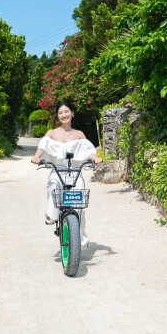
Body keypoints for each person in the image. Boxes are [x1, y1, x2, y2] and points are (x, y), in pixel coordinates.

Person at [31, 101, 101, 247]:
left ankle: (78, 235)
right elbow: (42, 147)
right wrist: (36, 157)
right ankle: (52, 216)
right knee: (52, 186)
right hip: (57, 171)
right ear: (57, 116)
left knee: (79, 205)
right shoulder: (51, 133)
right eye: (60, 113)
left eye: (66, 111)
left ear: (72, 113)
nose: (64, 115)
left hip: (75, 173)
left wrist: (95, 158)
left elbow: (88, 150)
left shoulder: (79, 134)